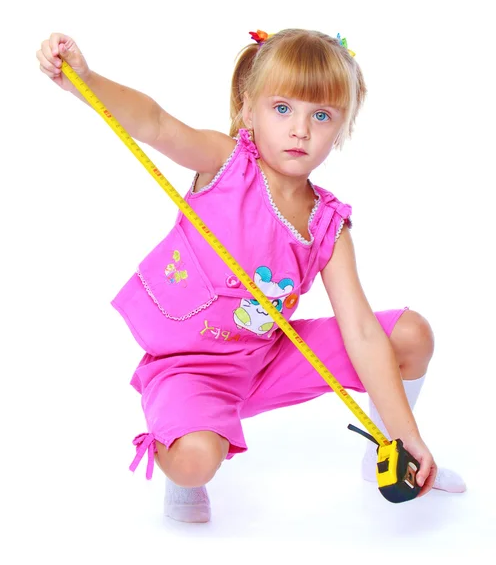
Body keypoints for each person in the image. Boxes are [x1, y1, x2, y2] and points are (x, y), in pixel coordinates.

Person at [36, 28, 466, 523]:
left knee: (410, 335)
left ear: (342, 128)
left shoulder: (329, 223)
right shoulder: (224, 164)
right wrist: (85, 81)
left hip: (267, 359)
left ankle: (382, 456)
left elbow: (363, 332)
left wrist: (406, 436)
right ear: (248, 109)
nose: (300, 130)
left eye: (321, 115)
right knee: (196, 462)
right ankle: (181, 441)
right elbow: (154, 122)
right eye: (282, 109)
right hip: (190, 368)